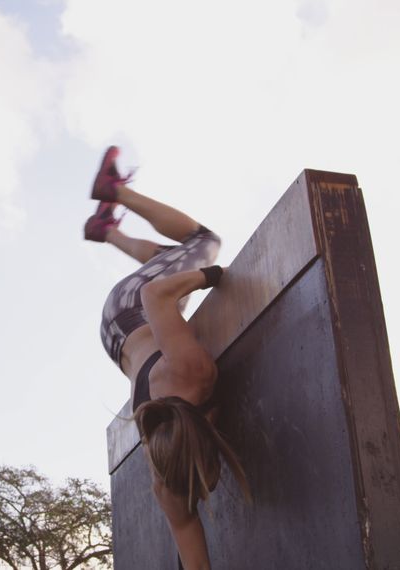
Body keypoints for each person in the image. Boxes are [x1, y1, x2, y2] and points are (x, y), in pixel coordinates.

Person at [85, 146, 249, 570]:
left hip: (129, 310)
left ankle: (114, 192)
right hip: (116, 339)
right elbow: (193, 556)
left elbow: (153, 294)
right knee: (167, 262)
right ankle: (107, 231)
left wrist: (212, 277)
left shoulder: (191, 373)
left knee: (204, 243)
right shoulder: (165, 482)